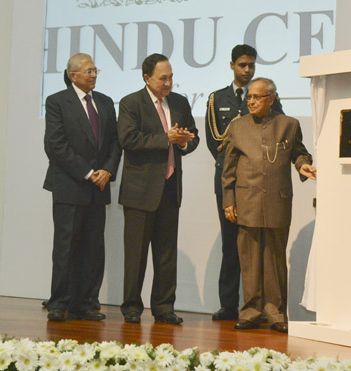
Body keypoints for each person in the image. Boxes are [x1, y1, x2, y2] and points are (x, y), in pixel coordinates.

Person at [221, 77, 316, 333]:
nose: (250, 101)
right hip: (246, 200)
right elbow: (227, 170)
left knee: (274, 259)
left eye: (256, 97)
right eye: (248, 97)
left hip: (277, 200)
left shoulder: (289, 125)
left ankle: (276, 313)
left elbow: (299, 152)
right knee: (250, 261)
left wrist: (302, 165)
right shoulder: (238, 127)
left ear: (271, 99)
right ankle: (251, 312)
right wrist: (228, 200)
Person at [118, 53, 199, 324]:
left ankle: (164, 307)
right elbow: (128, 139)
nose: (168, 83)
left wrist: (185, 141)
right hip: (140, 191)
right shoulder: (131, 103)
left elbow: (193, 137)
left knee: (166, 253)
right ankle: (131, 306)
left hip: (170, 188)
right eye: (163, 78)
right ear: (146, 78)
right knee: (136, 254)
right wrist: (166, 138)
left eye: (171, 77)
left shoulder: (179, 102)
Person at [205, 44, 283, 321]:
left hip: (260, 180)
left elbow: (276, 134)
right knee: (231, 243)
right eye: (242, 65)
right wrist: (244, 128)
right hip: (229, 178)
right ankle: (229, 304)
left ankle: (260, 306)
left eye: (251, 65)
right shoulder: (217, 99)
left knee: (261, 245)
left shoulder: (270, 98)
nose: (247, 70)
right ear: (232, 66)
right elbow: (216, 142)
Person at [43, 53, 121, 322]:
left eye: (95, 70)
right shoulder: (57, 102)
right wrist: (88, 173)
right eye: (88, 71)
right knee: (66, 247)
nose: (94, 75)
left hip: (99, 187)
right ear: (73, 75)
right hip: (70, 185)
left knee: (92, 248)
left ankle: (85, 303)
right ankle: (59, 303)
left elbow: (114, 143)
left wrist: (107, 170)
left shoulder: (106, 102)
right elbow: (55, 145)